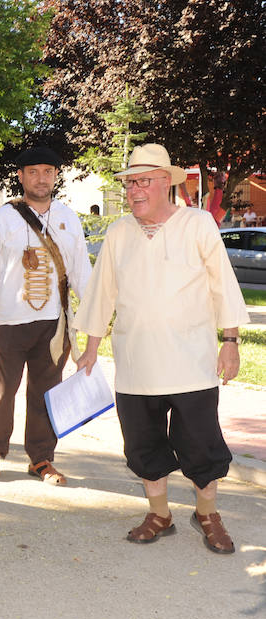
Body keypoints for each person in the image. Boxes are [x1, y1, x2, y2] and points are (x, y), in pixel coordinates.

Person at [74, 143, 249, 554]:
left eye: (144, 181)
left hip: (191, 364)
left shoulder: (198, 224)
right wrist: (91, 347)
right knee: (143, 445)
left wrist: (230, 342)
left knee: (201, 447)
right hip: (136, 365)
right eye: (131, 182)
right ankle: (159, 514)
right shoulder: (117, 233)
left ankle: (207, 513)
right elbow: (102, 293)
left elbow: (223, 285)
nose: (135, 190)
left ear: (166, 184)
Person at [0, 147, 92, 485]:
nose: (41, 178)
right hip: (8, 320)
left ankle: (41, 458)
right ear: (20, 176)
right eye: (33, 171)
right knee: (2, 390)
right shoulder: (4, 218)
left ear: (55, 176)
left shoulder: (68, 218)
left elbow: (82, 272)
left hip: (55, 323)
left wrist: (95, 316)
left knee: (46, 392)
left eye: (48, 171)